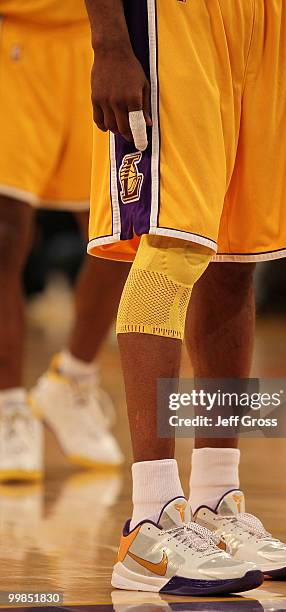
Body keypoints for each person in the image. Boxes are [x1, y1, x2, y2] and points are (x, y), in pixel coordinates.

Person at [85, 0, 286, 596]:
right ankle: (149, 524)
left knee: (235, 255)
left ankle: (217, 501)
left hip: (279, 21)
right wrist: (109, 41)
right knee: (171, 249)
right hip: (176, 18)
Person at [0, 0, 128, 481]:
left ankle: (72, 378)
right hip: (16, 41)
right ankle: (9, 407)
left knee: (119, 231)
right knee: (4, 234)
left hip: (103, 40)